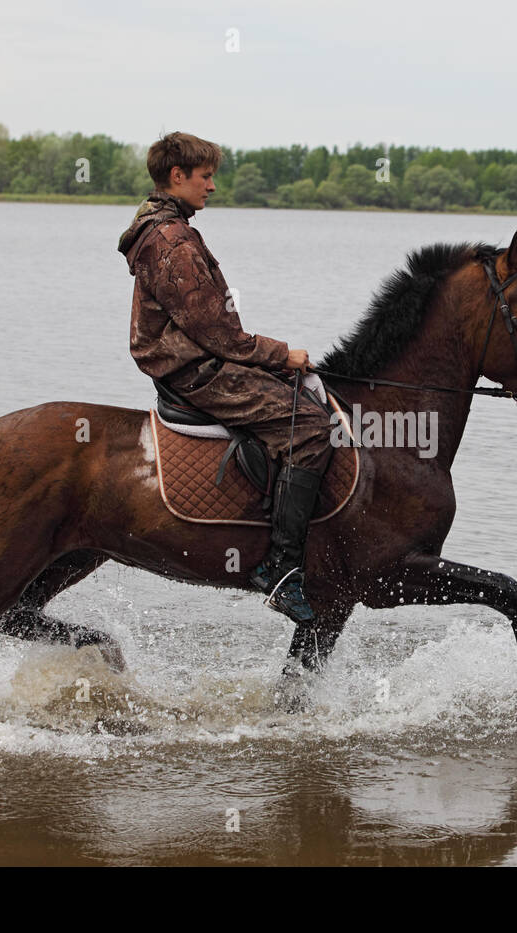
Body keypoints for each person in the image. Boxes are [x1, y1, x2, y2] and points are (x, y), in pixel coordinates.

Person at [117, 132, 333, 624]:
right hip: (199, 371)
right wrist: (282, 355)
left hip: (198, 360)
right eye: (205, 176)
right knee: (310, 426)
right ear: (178, 177)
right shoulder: (172, 240)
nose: (212, 185)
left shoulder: (173, 229)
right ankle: (280, 569)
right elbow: (218, 334)